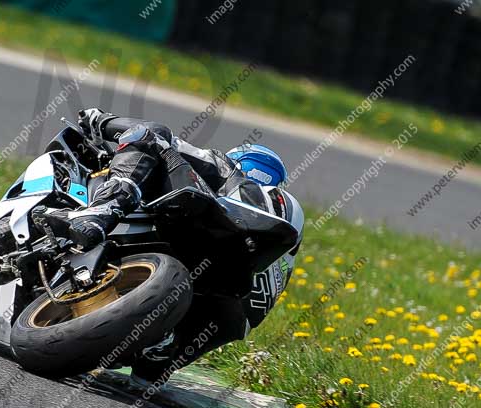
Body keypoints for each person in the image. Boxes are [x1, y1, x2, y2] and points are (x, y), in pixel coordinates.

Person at [45, 108, 304, 388]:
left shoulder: (225, 170)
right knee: (147, 378)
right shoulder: (286, 233)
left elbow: (155, 136)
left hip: (189, 266)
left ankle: (102, 210)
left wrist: (101, 120)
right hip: (221, 318)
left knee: (151, 135)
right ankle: (159, 348)